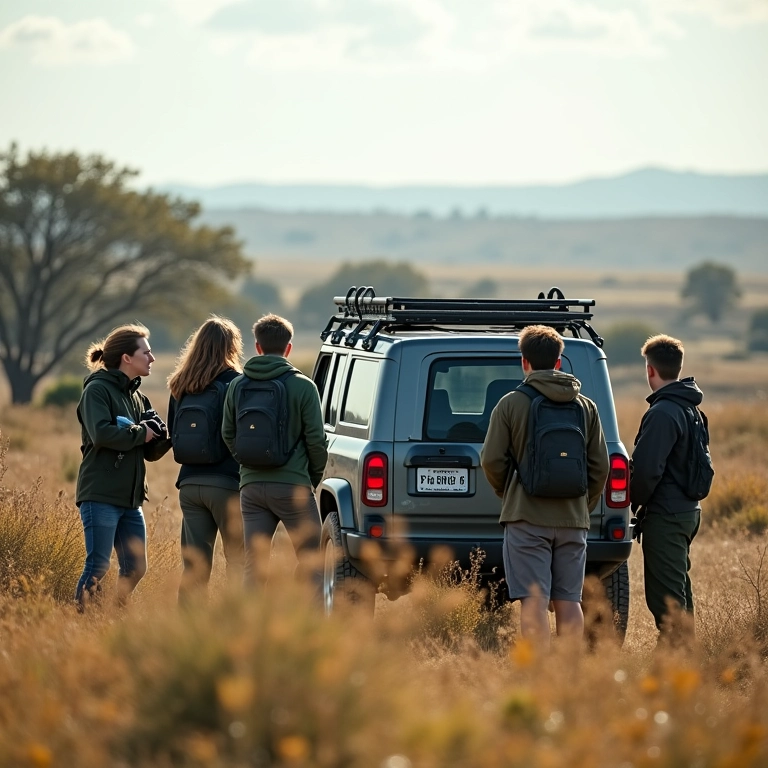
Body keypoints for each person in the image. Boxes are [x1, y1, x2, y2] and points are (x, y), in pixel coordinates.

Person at [481, 325, 609, 649]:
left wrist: (509, 495)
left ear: (524, 361)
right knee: (569, 600)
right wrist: (583, 506)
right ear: (559, 361)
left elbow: (491, 460)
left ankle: (539, 677)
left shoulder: (510, 404)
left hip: (527, 519)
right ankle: (568, 676)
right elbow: (601, 467)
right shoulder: (587, 407)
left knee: (534, 601)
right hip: (573, 520)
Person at [222, 313, 328, 590]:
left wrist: (247, 463)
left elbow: (227, 434)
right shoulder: (304, 386)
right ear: (288, 348)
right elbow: (316, 440)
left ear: (257, 346)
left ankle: (248, 626)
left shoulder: (237, 385)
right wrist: (310, 478)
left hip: (251, 488)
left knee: (253, 565)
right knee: (311, 561)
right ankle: (312, 625)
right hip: (294, 487)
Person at [75, 324, 170, 610]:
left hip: (130, 499)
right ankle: (82, 621)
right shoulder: (97, 390)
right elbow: (102, 434)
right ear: (127, 358)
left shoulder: (139, 397)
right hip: (101, 493)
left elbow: (150, 453)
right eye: (146, 352)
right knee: (98, 566)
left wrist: (163, 436)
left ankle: (113, 614)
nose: (152, 358)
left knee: (136, 567)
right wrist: (142, 433)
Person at [166, 316, 245, 601]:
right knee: (239, 562)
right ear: (231, 347)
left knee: (195, 567)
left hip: (189, 484)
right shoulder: (236, 383)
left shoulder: (180, 384)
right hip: (227, 484)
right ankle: (236, 627)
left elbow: (173, 432)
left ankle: (190, 628)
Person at [630, 334, 703, 636]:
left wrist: (629, 502)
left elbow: (647, 471)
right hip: (687, 512)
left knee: (667, 603)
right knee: (679, 595)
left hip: (666, 516)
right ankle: (687, 664)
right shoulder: (690, 407)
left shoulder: (662, 412)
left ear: (650, 370)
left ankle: (675, 671)